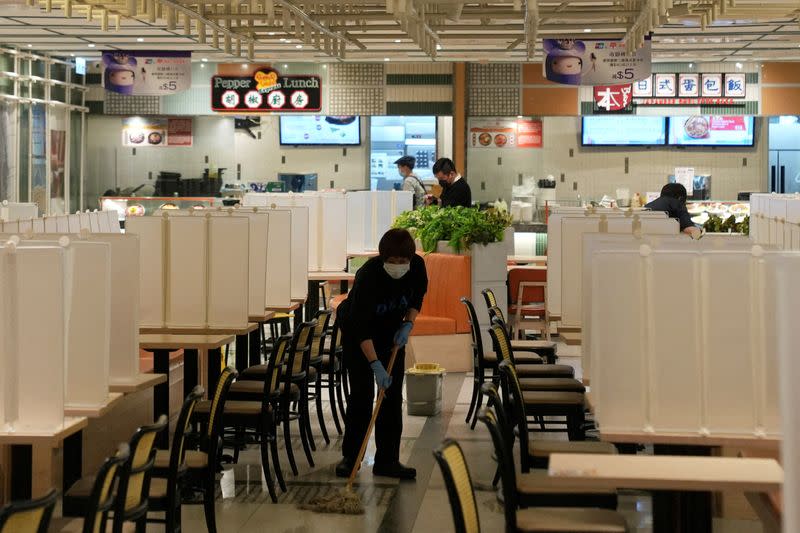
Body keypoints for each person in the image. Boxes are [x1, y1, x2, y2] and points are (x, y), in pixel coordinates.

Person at [335, 228, 428, 480]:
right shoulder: (368, 275)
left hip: (391, 335)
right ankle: (351, 458)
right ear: (382, 257)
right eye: (392, 261)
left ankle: (388, 460)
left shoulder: (417, 267)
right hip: (359, 337)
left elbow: (417, 297)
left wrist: (408, 323)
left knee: (391, 398)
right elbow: (361, 326)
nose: (398, 266)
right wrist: (375, 364)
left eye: (403, 261)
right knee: (362, 398)